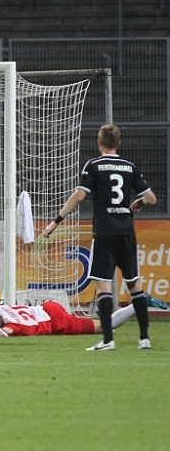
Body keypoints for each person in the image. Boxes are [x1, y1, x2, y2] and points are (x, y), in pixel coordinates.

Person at [42, 124, 158, 351]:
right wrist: (141, 202)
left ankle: (108, 341)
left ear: (99, 143)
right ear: (119, 143)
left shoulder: (94, 165)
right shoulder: (129, 166)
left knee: (104, 286)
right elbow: (152, 198)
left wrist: (56, 222)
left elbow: (79, 196)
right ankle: (144, 339)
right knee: (134, 284)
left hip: (105, 232)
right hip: (126, 231)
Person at [0, 298, 139, 337]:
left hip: (55, 321)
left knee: (104, 326)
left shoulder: (14, 327)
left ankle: (136, 305)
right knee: (103, 325)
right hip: (47, 307)